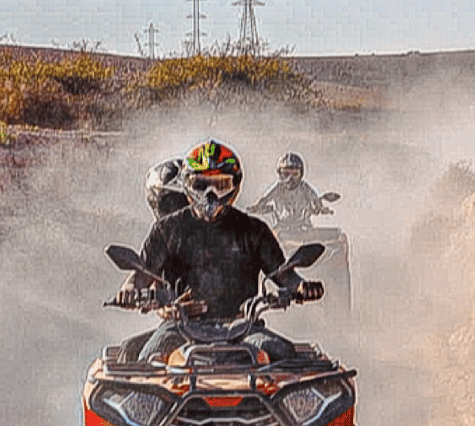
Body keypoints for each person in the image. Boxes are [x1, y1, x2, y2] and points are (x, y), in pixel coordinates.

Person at [117, 139, 324, 361]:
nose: (210, 194)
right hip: (180, 328)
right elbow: (140, 275)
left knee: (284, 355)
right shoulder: (166, 230)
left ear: (235, 185)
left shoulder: (254, 230)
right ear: (187, 185)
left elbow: (284, 275)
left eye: (221, 185)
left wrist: (302, 287)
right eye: (201, 184)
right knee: (148, 361)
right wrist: (128, 290)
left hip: (243, 328)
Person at [247, 151, 333, 234]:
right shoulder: (279, 188)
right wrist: (257, 207)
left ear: (301, 174)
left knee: (314, 244)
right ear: (280, 174)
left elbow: (315, 199)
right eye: (286, 174)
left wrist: (320, 208)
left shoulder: (304, 188)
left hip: (303, 227)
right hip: (282, 227)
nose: (290, 179)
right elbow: (266, 199)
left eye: (295, 174)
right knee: (268, 242)